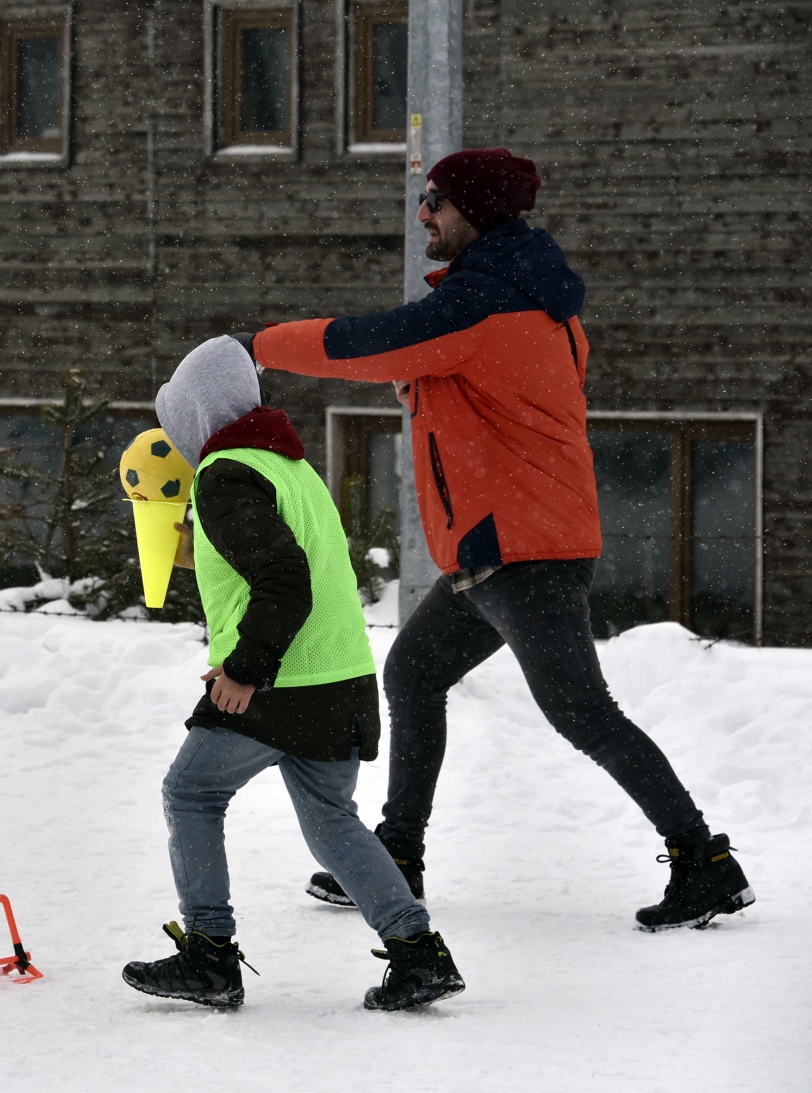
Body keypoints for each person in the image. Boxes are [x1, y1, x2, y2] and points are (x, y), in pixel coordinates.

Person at [235, 148, 754, 932]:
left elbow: (366, 344)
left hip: (524, 550)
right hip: (498, 549)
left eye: (435, 200)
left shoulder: (481, 308)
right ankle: (397, 857)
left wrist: (257, 345)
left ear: (473, 209)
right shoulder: (523, 299)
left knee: (582, 711)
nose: (423, 216)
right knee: (412, 674)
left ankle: (703, 860)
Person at [121, 335, 465, 1012]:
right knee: (332, 820)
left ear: (197, 413)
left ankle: (209, 955)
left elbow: (283, 578)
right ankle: (418, 954)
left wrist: (248, 668)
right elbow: (270, 563)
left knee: (190, 791)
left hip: (283, 683)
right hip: (341, 676)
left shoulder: (224, 473)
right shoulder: (287, 467)